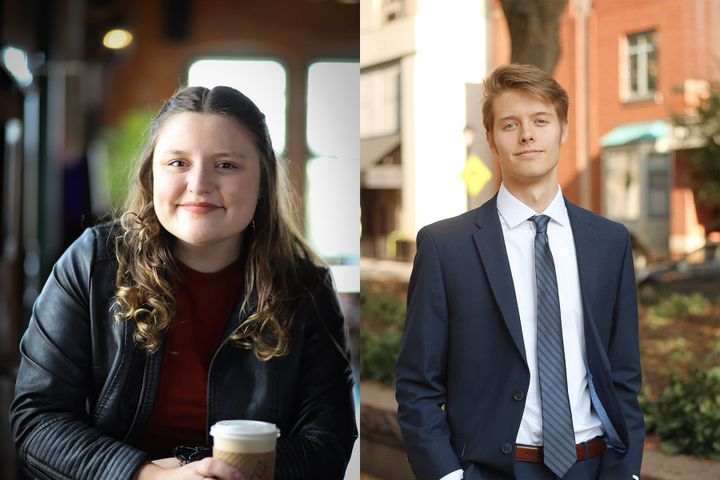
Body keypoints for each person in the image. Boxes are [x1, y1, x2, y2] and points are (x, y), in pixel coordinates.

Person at [11, 86, 357, 480]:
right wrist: (149, 476)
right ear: (151, 176)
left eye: (226, 165)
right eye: (178, 162)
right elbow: (37, 421)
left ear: (262, 182)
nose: (199, 184)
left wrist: (210, 472)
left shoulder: (306, 288)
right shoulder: (91, 263)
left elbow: (328, 443)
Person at [395, 64, 644, 480]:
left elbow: (624, 375)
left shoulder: (609, 241)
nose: (527, 135)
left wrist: (627, 471)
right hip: (493, 470)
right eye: (510, 124)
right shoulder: (445, 247)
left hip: (596, 466)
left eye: (541, 121)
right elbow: (417, 385)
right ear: (491, 140)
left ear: (563, 130)